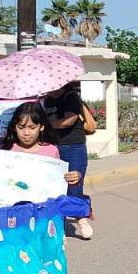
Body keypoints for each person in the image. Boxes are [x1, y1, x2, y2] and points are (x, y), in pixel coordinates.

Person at [43, 80, 94, 240]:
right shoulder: (47, 100)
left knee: (74, 184)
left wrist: (49, 125)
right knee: (56, 187)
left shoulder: (71, 97)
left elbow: (69, 121)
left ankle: (81, 218)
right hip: (54, 146)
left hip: (74, 147)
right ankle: (60, 226)